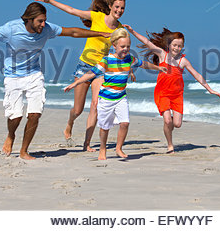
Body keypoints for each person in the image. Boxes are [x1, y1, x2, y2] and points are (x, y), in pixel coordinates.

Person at [0, 2, 110, 160]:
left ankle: (24, 151)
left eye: (44, 21)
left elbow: (72, 32)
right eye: (40, 21)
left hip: (34, 74)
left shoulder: (47, 29)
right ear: (29, 19)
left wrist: (99, 33)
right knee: (16, 116)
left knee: (35, 114)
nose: (43, 24)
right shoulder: (11, 29)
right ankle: (11, 136)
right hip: (12, 77)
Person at [32, 0, 133, 152]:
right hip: (84, 66)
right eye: (117, 7)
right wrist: (48, 0)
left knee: (95, 105)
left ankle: (87, 144)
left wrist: (128, 69)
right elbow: (72, 10)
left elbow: (123, 50)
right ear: (110, 7)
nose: (119, 10)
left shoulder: (120, 29)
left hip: (100, 70)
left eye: (122, 8)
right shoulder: (97, 17)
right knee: (78, 110)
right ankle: (69, 124)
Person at [64, 28, 166, 160]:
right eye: (122, 46)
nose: (125, 49)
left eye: (128, 46)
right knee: (105, 128)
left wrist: (158, 67)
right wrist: (75, 84)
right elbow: (91, 73)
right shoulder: (106, 61)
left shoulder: (129, 59)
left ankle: (119, 148)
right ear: (114, 46)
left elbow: (143, 64)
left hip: (121, 98)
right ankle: (102, 149)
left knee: (125, 123)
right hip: (106, 99)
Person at [123, 24, 220, 153]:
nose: (177, 48)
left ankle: (168, 127)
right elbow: (146, 42)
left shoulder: (183, 61)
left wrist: (209, 89)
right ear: (169, 45)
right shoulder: (162, 54)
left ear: (182, 47)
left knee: (177, 124)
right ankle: (170, 145)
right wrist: (132, 31)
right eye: (174, 45)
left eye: (179, 46)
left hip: (177, 95)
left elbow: (197, 75)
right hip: (162, 93)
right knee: (167, 120)